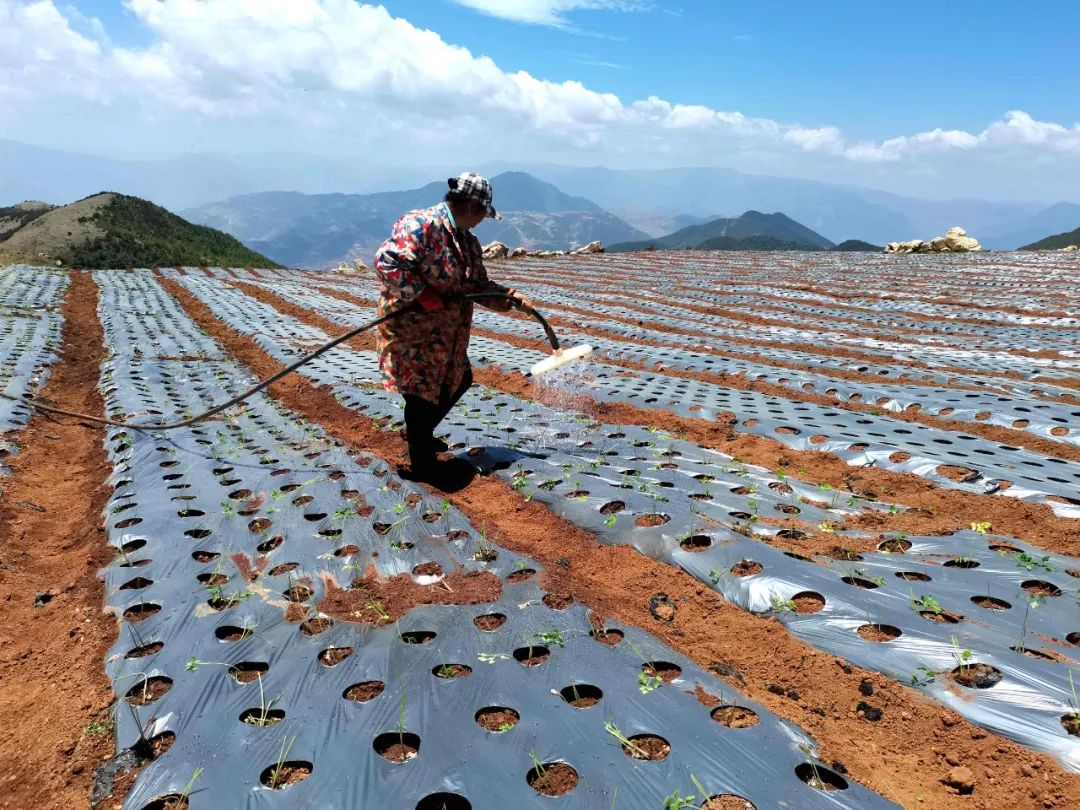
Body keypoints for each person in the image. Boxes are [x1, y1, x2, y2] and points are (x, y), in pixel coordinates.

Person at [373, 172, 532, 483]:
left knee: (460, 379)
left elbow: (477, 286)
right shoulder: (421, 225)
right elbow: (386, 263)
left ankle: (419, 433)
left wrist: (510, 298)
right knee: (421, 396)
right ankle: (424, 467)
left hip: (448, 337)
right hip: (413, 334)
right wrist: (423, 295)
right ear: (472, 207)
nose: (483, 220)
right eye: (483, 213)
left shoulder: (467, 241)